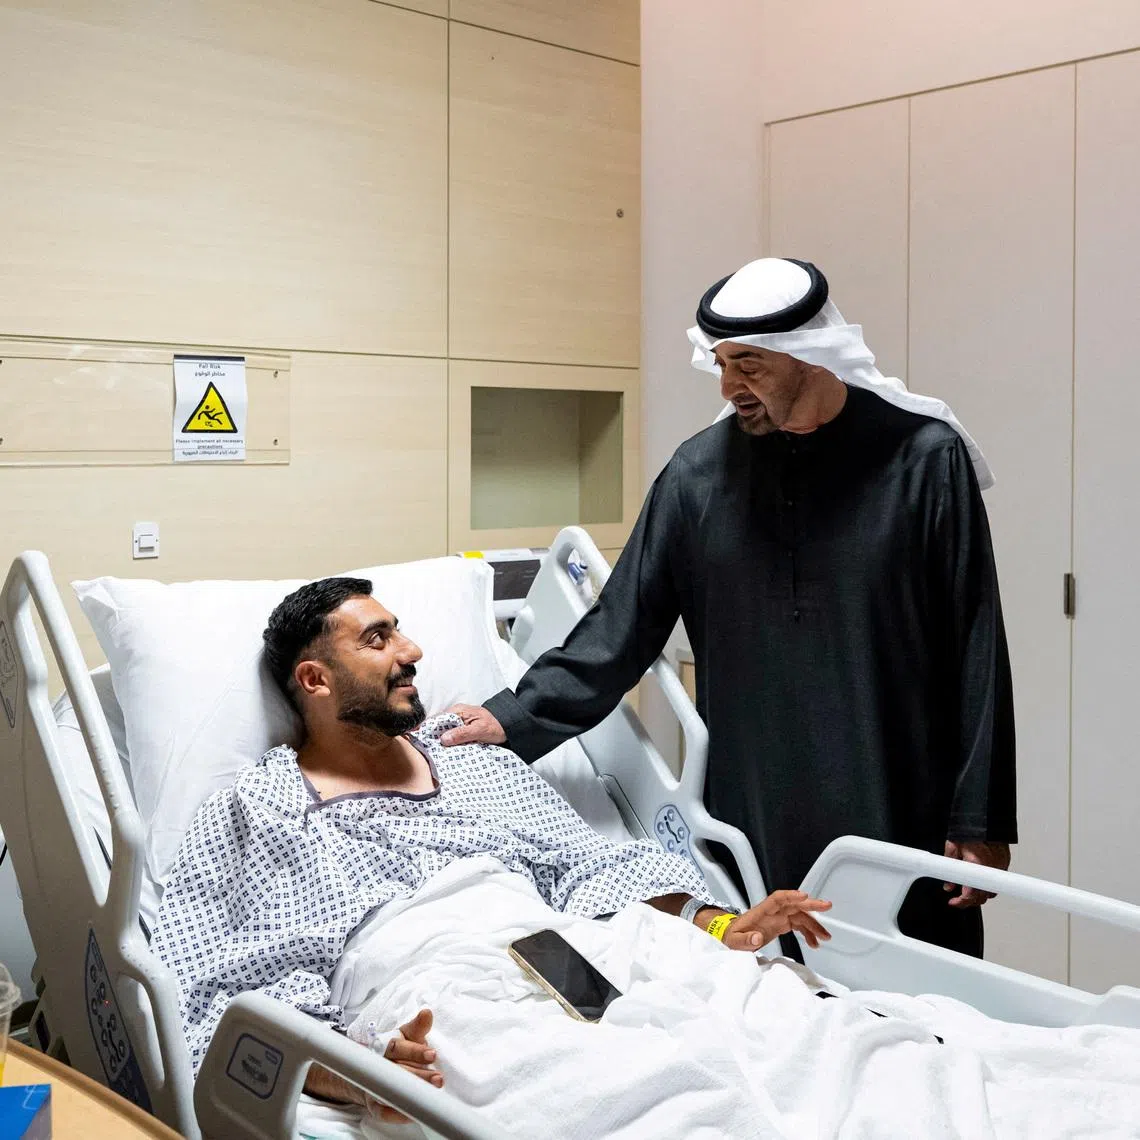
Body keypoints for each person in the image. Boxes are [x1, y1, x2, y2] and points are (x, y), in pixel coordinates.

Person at [442, 257, 1017, 959]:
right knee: (782, 986)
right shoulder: (697, 476)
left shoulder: (923, 461)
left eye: (749, 365)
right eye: (720, 363)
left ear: (808, 353)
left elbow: (976, 643)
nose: (728, 386)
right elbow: (621, 626)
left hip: (901, 787)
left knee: (927, 990)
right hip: (758, 794)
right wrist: (514, 716)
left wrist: (981, 814)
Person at [150, 576, 832, 1118]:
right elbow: (224, 993)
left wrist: (718, 925)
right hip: (438, 991)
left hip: (574, 951)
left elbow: (592, 869)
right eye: (378, 639)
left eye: (400, 631)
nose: (411, 651)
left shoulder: (471, 761)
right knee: (640, 1094)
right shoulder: (263, 806)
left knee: (786, 1030)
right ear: (316, 680)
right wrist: (358, 1071)